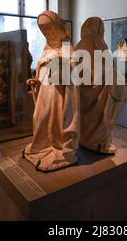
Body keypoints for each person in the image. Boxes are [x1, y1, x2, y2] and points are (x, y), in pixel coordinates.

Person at [23, 11, 80, 172]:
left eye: (49, 28)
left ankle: (59, 147)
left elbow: (74, 70)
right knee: (40, 118)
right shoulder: (47, 47)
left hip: (60, 94)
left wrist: (60, 63)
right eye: (44, 29)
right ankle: (42, 144)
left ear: (57, 28)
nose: (48, 32)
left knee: (57, 120)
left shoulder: (67, 46)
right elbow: (42, 69)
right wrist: (37, 79)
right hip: (45, 92)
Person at [75, 17, 127, 154]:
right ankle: (98, 141)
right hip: (100, 91)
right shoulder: (97, 42)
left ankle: (85, 138)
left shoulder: (80, 43)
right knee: (102, 115)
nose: (103, 30)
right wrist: (114, 74)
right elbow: (102, 69)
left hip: (83, 91)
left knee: (86, 117)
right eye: (102, 27)